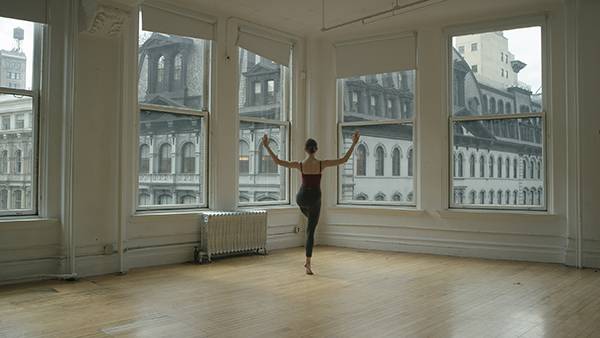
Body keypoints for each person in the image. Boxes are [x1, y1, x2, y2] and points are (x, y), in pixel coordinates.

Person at [261, 131, 360, 275]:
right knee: (310, 231)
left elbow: (278, 161)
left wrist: (267, 146)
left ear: (305, 150)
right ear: (316, 149)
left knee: (308, 216)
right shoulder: (321, 164)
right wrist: (354, 143)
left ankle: (310, 219)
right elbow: (344, 159)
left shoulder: (300, 165)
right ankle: (308, 264)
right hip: (315, 198)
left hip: (301, 197)